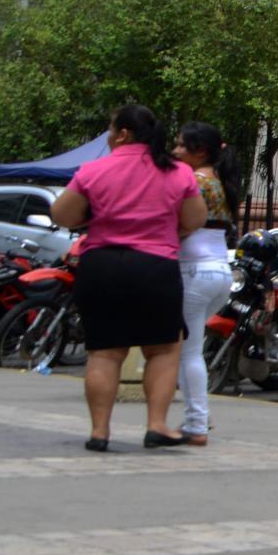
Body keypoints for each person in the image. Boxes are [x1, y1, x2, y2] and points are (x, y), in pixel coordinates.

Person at [48, 103, 207, 452]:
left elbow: (62, 214)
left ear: (123, 133)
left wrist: (94, 219)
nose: (107, 135)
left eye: (110, 129)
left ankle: (100, 432)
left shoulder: (94, 170)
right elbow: (195, 218)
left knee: (104, 352)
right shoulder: (177, 172)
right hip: (154, 266)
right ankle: (156, 426)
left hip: (101, 264)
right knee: (164, 349)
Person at [171, 123, 243, 447]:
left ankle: (197, 421)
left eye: (181, 146)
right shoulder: (220, 183)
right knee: (186, 349)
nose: (175, 152)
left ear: (200, 151)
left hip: (193, 271)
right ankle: (197, 412)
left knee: (188, 351)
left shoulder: (194, 182)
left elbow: (179, 225)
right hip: (219, 272)